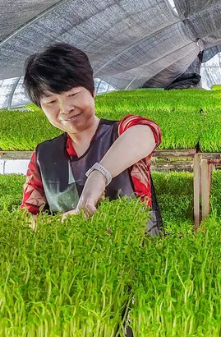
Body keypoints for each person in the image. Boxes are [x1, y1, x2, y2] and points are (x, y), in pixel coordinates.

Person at [20, 43, 163, 235]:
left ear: (93, 92)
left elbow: (148, 131)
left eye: (72, 95)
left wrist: (99, 175)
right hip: (72, 252)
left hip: (139, 248)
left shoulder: (121, 132)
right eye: (51, 102)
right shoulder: (42, 156)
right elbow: (28, 218)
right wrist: (62, 223)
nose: (65, 109)